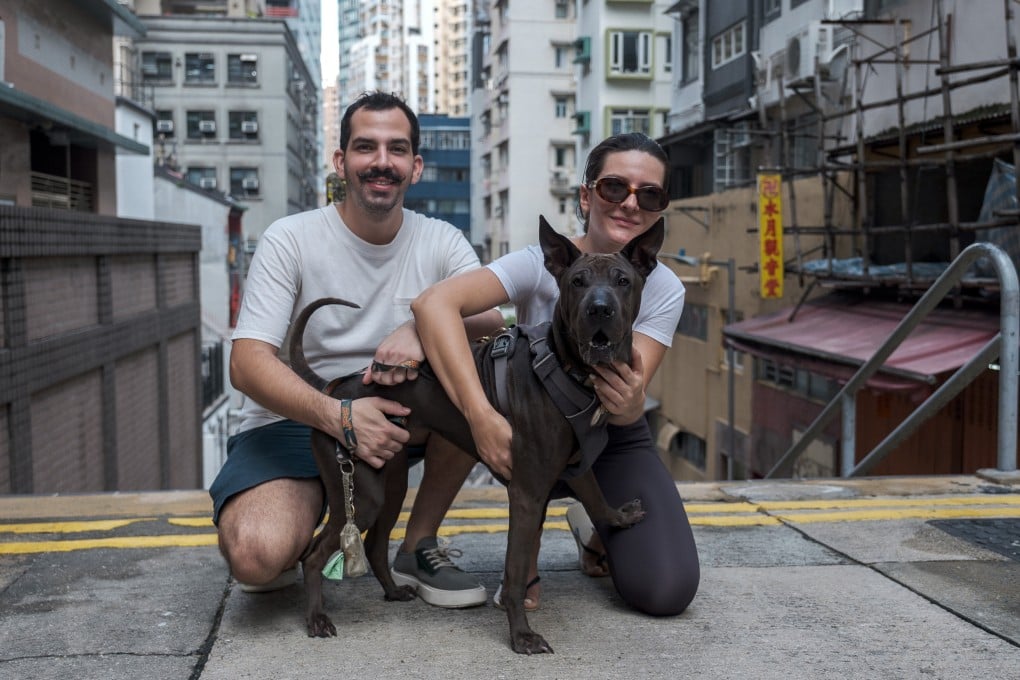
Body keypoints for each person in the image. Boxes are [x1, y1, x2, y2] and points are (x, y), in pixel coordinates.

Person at [209, 91, 508, 608]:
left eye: (397, 149)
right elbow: (247, 363)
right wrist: (340, 417)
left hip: (401, 421)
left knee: (480, 371)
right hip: (295, 422)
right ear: (341, 161)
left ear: (415, 167)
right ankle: (314, 520)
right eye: (366, 147)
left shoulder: (440, 240)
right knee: (256, 557)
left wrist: (421, 324)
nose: (381, 162)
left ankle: (417, 545)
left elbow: (492, 320)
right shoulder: (290, 238)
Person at [411, 132, 700, 615]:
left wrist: (631, 399)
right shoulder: (539, 263)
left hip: (608, 434)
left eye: (649, 195)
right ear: (586, 196)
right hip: (531, 425)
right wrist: (480, 414)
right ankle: (424, 540)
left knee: (666, 590)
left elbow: (626, 398)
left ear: (659, 210)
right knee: (461, 385)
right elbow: (434, 304)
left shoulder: (664, 286)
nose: (631, 204)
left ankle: (592, 524)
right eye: (614, 188)